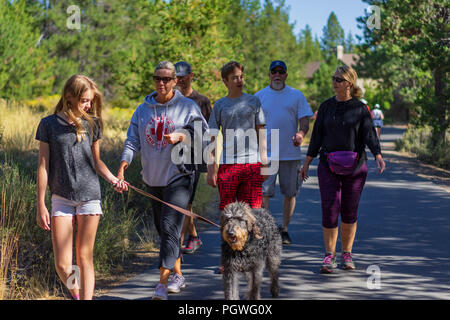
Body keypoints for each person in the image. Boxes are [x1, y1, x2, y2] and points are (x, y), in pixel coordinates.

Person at [117, 61, 208, 300]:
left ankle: (161, 284)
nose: (162, 83)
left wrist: (181, 135)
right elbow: (132, 140)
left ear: (175, 81)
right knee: (164, 230)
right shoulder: (142, 109)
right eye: (158, 78)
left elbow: (203, 134)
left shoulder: (187, 106)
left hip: (179, 176)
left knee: (169, 228)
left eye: (167, 79)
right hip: (152, 178)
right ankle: (178, 273)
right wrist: (124, 164)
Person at [35, 75, 127, 300]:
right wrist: (40, 204)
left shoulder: (91, 123)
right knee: (63, 264)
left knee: (84, 256)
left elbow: (97, 161)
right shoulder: (48, 124)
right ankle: (77, 295)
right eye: (84, 100)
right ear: (69, 96)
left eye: (91, 101)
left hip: (89, 196)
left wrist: (114, 180)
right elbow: (43, 165)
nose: (88, 105)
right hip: (61, 197)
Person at [300, 66, 386, 274]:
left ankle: (346, 254)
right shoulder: (326, 107)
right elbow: (317, 137)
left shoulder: (360, 108)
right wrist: (307, 162)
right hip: (328, 166)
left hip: (356, 168)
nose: (334, 82)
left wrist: (378, 155)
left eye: (339, 79)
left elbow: (369, 134)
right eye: (333, 78)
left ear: (349, 83)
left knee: (349, 210)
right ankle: (329, 255)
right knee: (329, 209)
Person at [207, 61, 268, 273]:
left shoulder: (254, 101)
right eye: (235, 78)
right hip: (228, 166)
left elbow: (261, 133)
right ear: (225, 81)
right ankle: (228, 258)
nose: (239, 80)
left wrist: (265, 161)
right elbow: (212, 138)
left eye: (241, 76)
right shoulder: (220, 105)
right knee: (228, 215)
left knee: (253, 214)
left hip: (251, 164)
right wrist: (211, 167)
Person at [255, 60, 313, 245]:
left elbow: (305, 120)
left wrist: (301, 133)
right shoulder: (259, 96)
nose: (277, 75)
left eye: (281, 72)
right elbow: (253, 125)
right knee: (264, 193)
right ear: (269, 75)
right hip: (266, 154)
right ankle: (267, 230)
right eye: (274, 72)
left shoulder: (296, 95)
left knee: (290, 193)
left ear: (286, 75)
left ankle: (285, 229)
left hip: (290, 153)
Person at [174, 61, 212, 255]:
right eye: (176, 77)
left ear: (191, 76)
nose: (179, 81)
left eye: (182, 77)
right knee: (181, 201)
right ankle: (193, 236)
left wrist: (211, 160)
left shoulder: (202, 101)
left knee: (184, 200)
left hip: (194, 157)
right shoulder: (171, 99)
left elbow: (209, 132)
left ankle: (179, 245)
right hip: (171, 156)